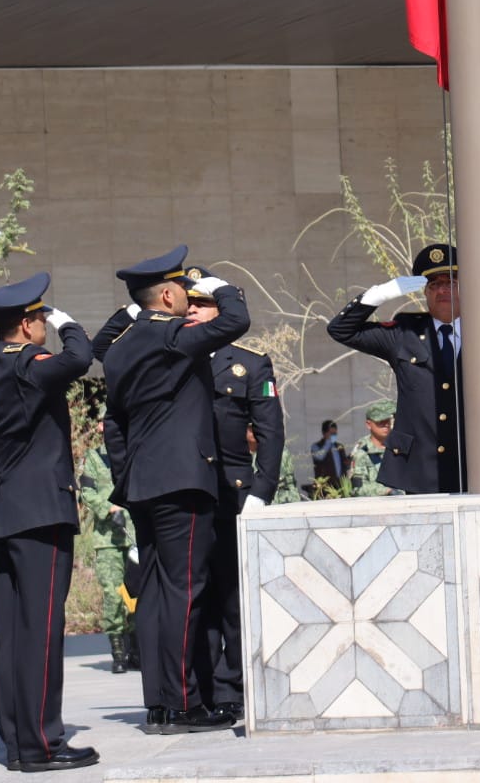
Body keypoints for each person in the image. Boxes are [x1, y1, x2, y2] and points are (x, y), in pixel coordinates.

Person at [100, 246, 247, 735]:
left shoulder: (119, 348)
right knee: (187, 590)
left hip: (144, 485)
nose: (191, 294)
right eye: (185, 287)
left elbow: (114, 425)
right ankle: (185, 704)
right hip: (182, 482)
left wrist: (127, 476)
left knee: (158, 595)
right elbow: (235, 321)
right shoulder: (171, 337)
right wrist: (220, 282)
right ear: (167, 293)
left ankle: (159, 703)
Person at [0, 272, 97, 772]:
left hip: (4, 513)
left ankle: (16, 740)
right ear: (26, 325)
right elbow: (81, 359)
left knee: (12, 633)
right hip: (41, 513)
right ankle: (43, 743)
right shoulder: (29, 364)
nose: (46, 324)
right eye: (41, 318)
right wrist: (71, 325)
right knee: (42, 629)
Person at [328, 243, 480, 494]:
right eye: (434, 284)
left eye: (451, 281)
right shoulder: (405, 333)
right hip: (418, 471)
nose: (443, 289)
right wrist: (380, 294)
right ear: (424, 292)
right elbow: (340, 330)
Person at [184, 267, 284, 717]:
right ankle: (202, 687)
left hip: (233, 491)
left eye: (202, 303)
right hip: (187, 493)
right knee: (196, 597)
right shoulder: (175, 355)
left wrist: (262, 490)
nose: (192, 310)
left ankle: (232, 687)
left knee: (232, 599)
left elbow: (270, 432)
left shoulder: (249, 362)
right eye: (188, 303)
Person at [79, 422, 136, 674]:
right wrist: (108, 508)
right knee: (113, 595)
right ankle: (118, 651)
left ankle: (137, 650)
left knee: (136, 596)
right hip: (108, 540)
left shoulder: (133, 451)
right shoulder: (93, 457)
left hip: (134, 535)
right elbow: (87, 493)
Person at [351, 401, 402, 497]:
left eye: (388, 420)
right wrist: (387, 491)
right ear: (368, 424)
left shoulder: (399, 446)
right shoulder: (362, 452)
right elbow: (358, 488)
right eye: (380, 422)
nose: (386, 425)